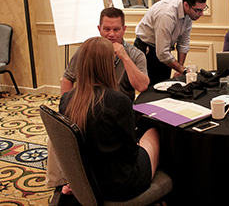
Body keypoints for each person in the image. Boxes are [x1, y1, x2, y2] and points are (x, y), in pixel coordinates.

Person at [50, 37, 159, 201]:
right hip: (120, 184)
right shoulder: (118, 101)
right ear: (107, 64)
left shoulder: (67, 99)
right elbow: (131, 154)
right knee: (154, 132)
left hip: (86, 181)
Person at [61, 7, 149, 101]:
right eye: (106, 29)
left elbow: (142, 86)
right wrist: (66, 105)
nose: (111, 34)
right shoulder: (87, 49)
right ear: (99, 29)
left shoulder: (135, 54)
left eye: (116, 29)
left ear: (124, 29)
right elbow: (68, 78)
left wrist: (125, 57)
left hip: (120, 107)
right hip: (89, 104)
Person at [134, 0, 207, 85]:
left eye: (203, 9)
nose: (201, 14)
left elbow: (183, 43)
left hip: (163, 51)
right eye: (198, 10)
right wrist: (183, 70)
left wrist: (180, 69)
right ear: (186, 5)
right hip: (147, 50)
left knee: (164, 87)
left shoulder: (190, 14)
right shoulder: (167, 15)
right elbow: (161, 53)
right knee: (151, 90)